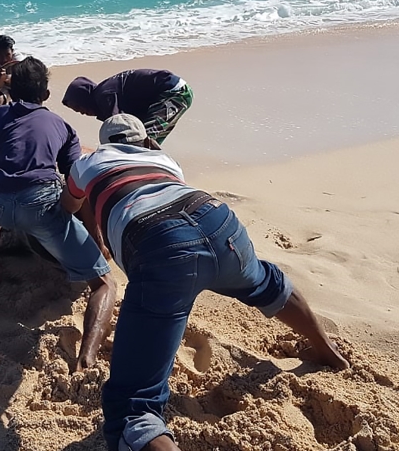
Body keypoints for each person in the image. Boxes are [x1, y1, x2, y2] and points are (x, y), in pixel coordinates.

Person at [65, 114, 351, 451]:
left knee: (132, 407)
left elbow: (70, 204)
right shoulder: (164, 159)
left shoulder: (89, 162)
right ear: (145, 142)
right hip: (217, 219)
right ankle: (326, 350)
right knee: (265, 281)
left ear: (105, 143)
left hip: (159, 245)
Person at [0, 56, 117, 369]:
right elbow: (75, 183)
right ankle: (87, 357)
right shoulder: (63, 126)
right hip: (37, 206)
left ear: (12, 89)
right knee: (106, 284)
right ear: (46, 95)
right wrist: (96, 239)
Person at [62, 69, 194, 144]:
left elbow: (120, 128)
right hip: (170, 91)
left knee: (140, 140)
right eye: (78, 112)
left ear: (84, 97)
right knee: (144, 138)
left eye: (80, 107)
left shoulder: (104, 96)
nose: (82, 112)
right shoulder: (105, 92)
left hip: (174, 92)